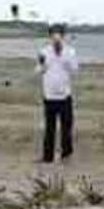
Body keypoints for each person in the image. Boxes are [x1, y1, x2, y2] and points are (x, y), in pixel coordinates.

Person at [37, 23, 80, 163]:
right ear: (50, 36)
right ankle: (47, 157)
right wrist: (42, 65)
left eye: (59, 34)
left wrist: (64, 58)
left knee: (66, 127)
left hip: (64, 95)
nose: (56, 37)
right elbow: (38, 70)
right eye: (53, 34)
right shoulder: (44, 51)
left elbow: (75, 71)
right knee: (49, 128)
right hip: (49, 95)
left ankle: (66, 155)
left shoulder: (70, 51)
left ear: (63, 36)